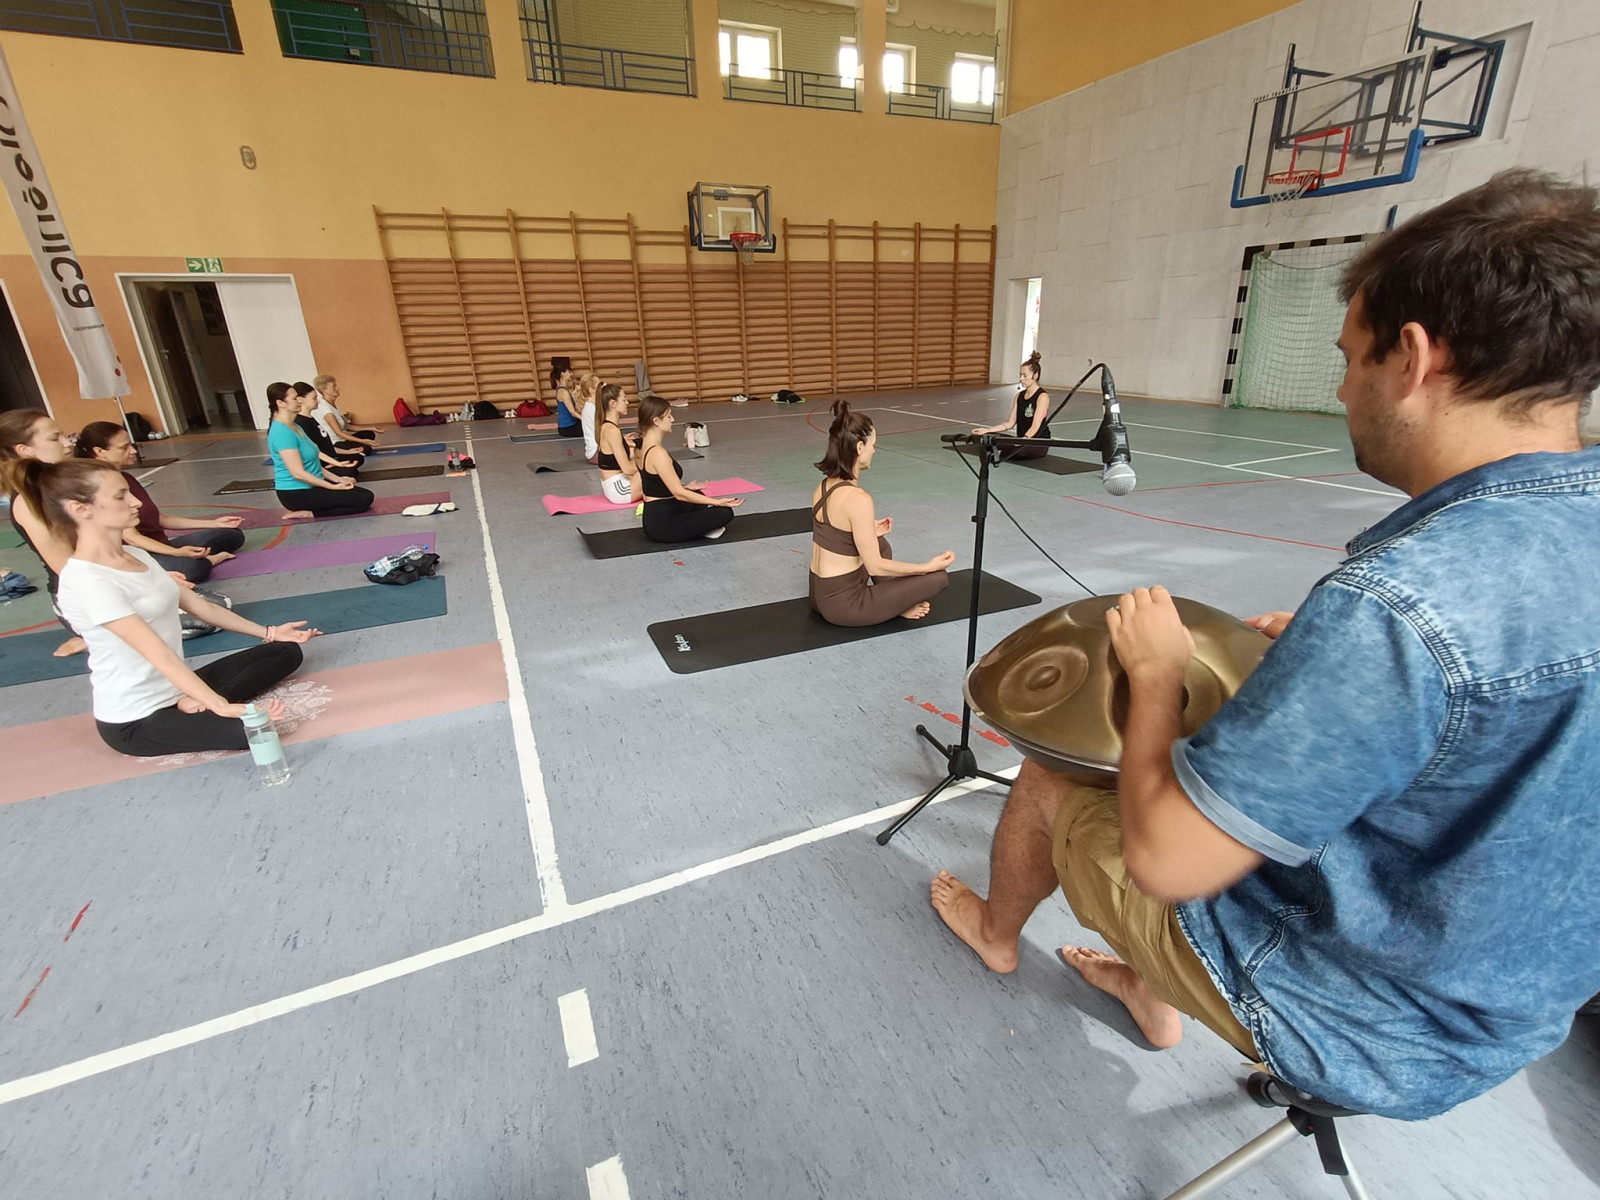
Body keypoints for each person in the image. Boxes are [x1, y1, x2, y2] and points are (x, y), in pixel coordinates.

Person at [929, 169, 1600, 1122]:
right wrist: (1331, 678)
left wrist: (1156, 676)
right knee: (1228, 756)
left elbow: (1166, 863)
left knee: (1056, 774)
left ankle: (1000, 935)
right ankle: (1143, 980)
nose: (1343, 386)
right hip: (1519, 1007)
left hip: (1353, 1016)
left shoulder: (1398, 606)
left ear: (1413, 358)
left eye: (1352, 358)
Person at [43, 459, 319, 757]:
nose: (136, 502)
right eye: (121, 495)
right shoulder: (88, 580)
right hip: (136, 718)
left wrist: (270, 632)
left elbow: (202, 608)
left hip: (176, 687)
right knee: (255, 730)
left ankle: (189, 701)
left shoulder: (137, 554)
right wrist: (220, 706)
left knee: (285, 651)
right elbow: (157, 653)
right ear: (80, 508)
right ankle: (192, 705)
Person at [810, 401, 953, 625]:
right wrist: (927, 567)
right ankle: (895, 605)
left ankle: (891, 603)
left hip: (819, 595)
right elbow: (875, 566)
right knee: (939, 578)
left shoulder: (824, 486)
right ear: (860, 447)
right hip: (844, 606)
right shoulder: (859, 499)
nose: (874, 450)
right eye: (873, 445)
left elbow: (834, 534)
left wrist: (869, 530)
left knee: (880, 543)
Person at [74, 421, 245, 584]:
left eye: (131, 445)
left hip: (162, 545)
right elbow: (133, 539)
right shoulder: (101, 489)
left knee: (231, 534)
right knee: (194, 568)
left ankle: (196, 558)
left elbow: (161, 519)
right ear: (100, 451)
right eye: (124, 448)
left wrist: (214, 523)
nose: (133, 451)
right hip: (139, 555)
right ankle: (208, 560)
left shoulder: (128, 478)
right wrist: (177, 553)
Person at [1, 408, 85, 657]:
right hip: (82, 598)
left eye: (64, 435)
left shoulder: (58, 488)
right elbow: (68, 569)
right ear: (24, 450)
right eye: (54, 438)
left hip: (103, 580)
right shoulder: (29, 503)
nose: (67, 443)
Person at [635, 395, 741, 541]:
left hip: (655, 515)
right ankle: (702, 529)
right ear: (656, 421)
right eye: (669, 416)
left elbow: (655, 483)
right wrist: (717, 501)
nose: (673, 419)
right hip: (663, 525)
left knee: (696, 494)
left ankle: (699, 527)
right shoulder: (657, 453)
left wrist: (686, 487)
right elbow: (679, 494)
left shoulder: (640, 447)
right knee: (725, 512)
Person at [266, 382, 374, 519]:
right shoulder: (282, 432)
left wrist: (338, 479)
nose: (299, 401)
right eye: (294, 398)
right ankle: (309, 513)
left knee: (364, 494)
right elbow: (298, 473)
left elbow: (313, 463)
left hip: (313, 485)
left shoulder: (296, 427)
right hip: (296, 493)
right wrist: (332, 486)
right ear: (281, 403)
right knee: (362, 500)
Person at [973, 351, 1051, 462]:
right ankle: (1004, 449)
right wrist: (988, 430)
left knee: (1020, 451)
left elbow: (1035, 426)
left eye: (1025, 375)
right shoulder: (1019, 396)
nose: (1021, 378)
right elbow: (1010, 423)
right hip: (1021, 439)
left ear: (1035, 375)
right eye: (1020, 375)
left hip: (1036, 442)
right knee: (985, 437)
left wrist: (1024, 440)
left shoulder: (1042, 397)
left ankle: (1003, 451)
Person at [292, 382, 362, 477]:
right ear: (301, 399)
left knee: (357, 457)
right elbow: (313, 452)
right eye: (314, 398)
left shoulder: (311, 418)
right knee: (351, 471)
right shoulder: (301, 423)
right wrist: (331, 463)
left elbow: (326, 447)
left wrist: (348, 451)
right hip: (321, 462)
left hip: (329, 456)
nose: (318, 401)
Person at [594, 383, 640, 506]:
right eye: (624, 399)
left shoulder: (607, 427)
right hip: (620, 489)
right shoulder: (612, 431)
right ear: (613, 403)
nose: (627, 403)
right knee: (654, 471)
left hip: (614, 485)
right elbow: (627, 469)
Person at [311, 374, 378, 451]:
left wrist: (372, 428)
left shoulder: (335, 406)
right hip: (335, 443)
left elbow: (348, 426)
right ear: (324, 390)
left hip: (343, 439)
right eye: (334, 386)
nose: (337, 388)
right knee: (366, 449)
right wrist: (362, 441)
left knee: (369, 433)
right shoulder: (325, 408)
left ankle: (358, 446)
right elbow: (339, 433)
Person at [576, 372, 601, 463]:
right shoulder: (591, 409)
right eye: (599, 386)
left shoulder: (592, 406)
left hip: (595, 451)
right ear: (591, 390)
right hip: (596, 452)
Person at [553, 366, 583, 440]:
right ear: (563, 374)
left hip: (571, 424)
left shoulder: (564, 389)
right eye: (569, 372)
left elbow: (576, 408)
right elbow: (573, 413)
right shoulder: (563, 392)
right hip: (567, 427)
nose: (571, 374)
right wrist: (587, 420)